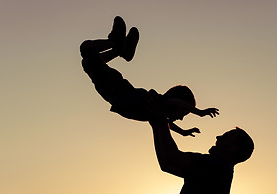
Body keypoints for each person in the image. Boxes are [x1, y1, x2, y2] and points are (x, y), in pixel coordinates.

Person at [80, 16, 219, 137]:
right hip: (115, 89)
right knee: (86, 50)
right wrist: (199, 112)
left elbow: (169, 124)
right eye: (184, 112)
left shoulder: (158, 112)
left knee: (88, 63)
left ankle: (120, 50)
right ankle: (117, 44)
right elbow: (176, 103)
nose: (182, 118)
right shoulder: (160, 102)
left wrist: (183, 132)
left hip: (113, 91)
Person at [146, 92, 254, 194]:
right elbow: (166, 164)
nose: (218, 137)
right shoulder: (217, 169)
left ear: (234, 148)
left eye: (226, 136)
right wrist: (157, 124)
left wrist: (160, 120)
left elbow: (172, 157)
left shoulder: (215, 166)